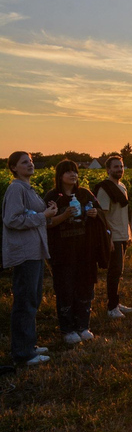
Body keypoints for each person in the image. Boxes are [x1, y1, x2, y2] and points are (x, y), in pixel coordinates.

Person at [44, 159, 110, 344]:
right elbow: (45, 223)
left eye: (75, 171)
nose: (73, 175)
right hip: (62, 252)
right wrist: (64, 216)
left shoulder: (85, 194)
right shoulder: (52, 196)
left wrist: (95, 215)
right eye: (68, 172)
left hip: (85, 250)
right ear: (60, 176)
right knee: (65, 288)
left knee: (85, 286)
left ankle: (83, 325)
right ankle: (67, 329)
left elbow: (100, 212)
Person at [2, 151, 57, 365]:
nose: (30, 164)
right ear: (14, 168)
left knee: (32, 299)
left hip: (35, 251)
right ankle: (23, 354)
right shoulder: (16, 188)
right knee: (25, 302)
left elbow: (37, 217)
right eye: (25, 162)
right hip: (25, 253)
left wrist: (49, 212)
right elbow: (11, 220)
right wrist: (43, 216)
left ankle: (29, 345)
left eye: (31, 161)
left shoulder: (28, 189)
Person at [94, 155, 132, 319]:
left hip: (123, 235)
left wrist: (129, 233)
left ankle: (116, 303)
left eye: (121, 166)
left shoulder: (122, 187)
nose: (119, 169)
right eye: (116, 167)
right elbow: (102, 216)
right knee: (114, 272)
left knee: (119, 271)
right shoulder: (105, 189)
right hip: (113, 237)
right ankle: (112, 307)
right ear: (108, 170)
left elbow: (123, 214)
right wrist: (108, 238)